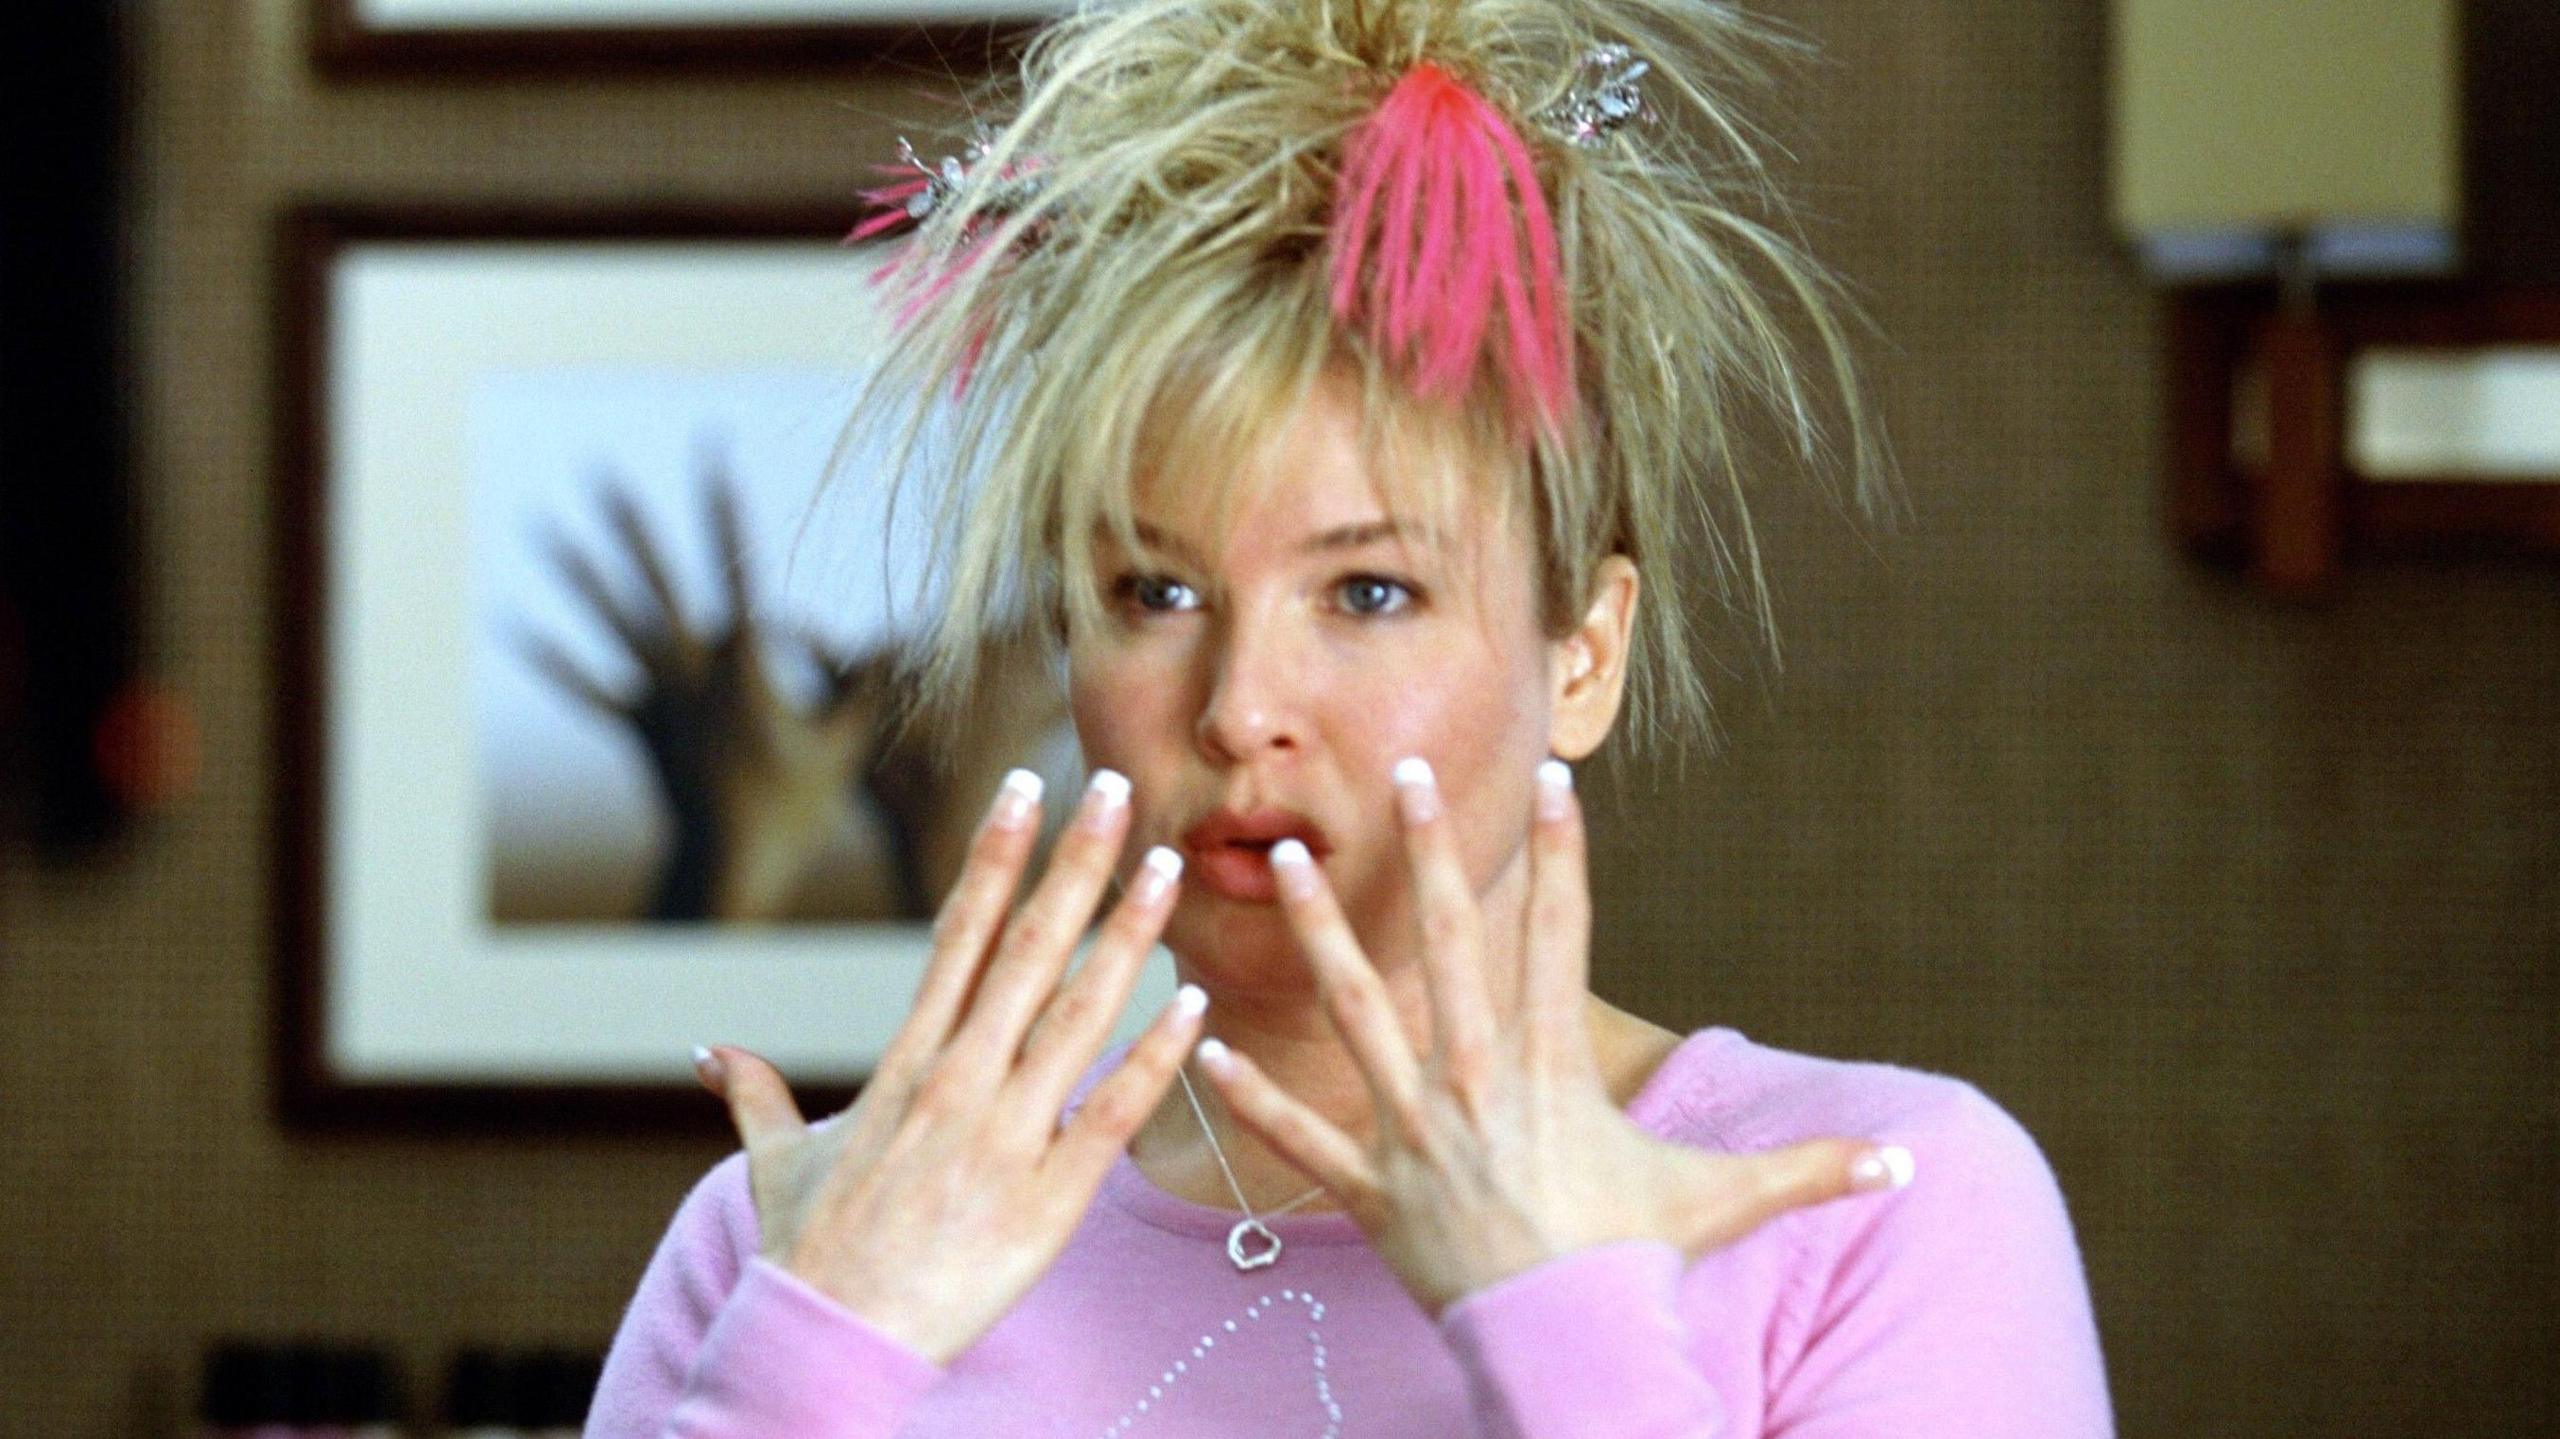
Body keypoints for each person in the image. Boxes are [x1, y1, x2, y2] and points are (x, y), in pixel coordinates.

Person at [585, 0, 2114, 1434]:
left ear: (1584, 653)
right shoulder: (795, 1241)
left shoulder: (1871, 1206)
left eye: (1370, 592)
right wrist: (809, 1361)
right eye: (1155, 596)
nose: (1243, 710)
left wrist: (1564, 1322)